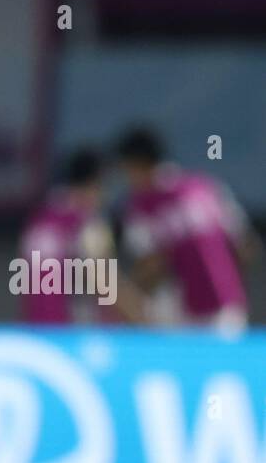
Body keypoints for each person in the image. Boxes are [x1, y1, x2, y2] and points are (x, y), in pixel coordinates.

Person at [116, 127, 258, 335]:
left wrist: (122, 295)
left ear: (136, 164)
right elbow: (246, 246)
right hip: (228, 307)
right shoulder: (205, 187)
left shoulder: (141, 207)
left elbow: (152, 264)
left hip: (183, 315)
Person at [18, 148, 141, 325]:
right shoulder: (85, 223)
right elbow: (105, 285)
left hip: (37, 332)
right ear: (95, 183)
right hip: (70, 334)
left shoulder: (39, 221)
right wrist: (146, 322)